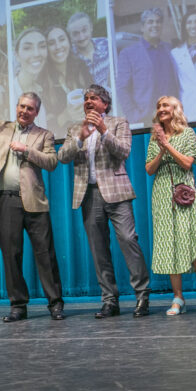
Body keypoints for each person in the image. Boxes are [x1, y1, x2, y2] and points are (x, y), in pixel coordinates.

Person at [0, 86, 65, 322]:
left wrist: (27, 150)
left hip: (34, 202)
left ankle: (55, 304)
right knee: (11, 255)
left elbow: (51, 162)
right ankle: (18, 305)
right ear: (16, 107)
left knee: (45, 255)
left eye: (30, 108)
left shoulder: (44, 134)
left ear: (36, 112)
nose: (25, 111)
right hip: (6, 200)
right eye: (22, 106)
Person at [57, 84, 151, 318]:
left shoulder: (119, 122)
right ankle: (110, 300)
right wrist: (80, 138)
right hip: (88, 195)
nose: (88, 101)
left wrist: (103, 130)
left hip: (117, 193)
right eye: (86, 99)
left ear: (105, 104)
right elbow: (62, 157)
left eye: (94, 98)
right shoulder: (74, 128)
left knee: (129, 240)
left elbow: (124, 151)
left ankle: (142, 296)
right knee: (99, 250)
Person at [146, 96, 196, 315]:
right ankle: (178, 298)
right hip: (162, 195)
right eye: (159, 106)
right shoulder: (154, 138)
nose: (161, 109)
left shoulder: (188, 134)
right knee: (169, 246)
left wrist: (167, 145)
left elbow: (187, 163)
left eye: (165, 105)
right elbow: (149, 169)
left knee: (194, 243)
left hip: (184, 195)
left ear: (176, 110)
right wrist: (161, 148)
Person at [115, 8, 179, 124]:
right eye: (150, 22)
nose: (155, 25)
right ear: (142, 27)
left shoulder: (170, 49)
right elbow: (122, 88)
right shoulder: (129, 53)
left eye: (158, 21)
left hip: (172, 117)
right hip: (147, 120)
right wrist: (134, 116)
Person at [45, 25, 93, 130]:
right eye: (52, 43)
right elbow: (46, 124)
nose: (58, 46)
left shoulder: (81, 66)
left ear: (69, 43)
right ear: (47, 49)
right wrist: (66, 115)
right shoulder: (44, 80)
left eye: (62, 40)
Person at [13, 27, 51, 129]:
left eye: (42, 46)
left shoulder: (43, 90)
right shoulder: (7, 93)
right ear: (16, 55)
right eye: (27, 48)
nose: (36, 53)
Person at [67, 11, 110, 88]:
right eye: (75, 34)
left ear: (91, 28)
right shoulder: (69, 58)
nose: (81, 37)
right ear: (70, 37)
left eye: (84, 30)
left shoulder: (106, 44)